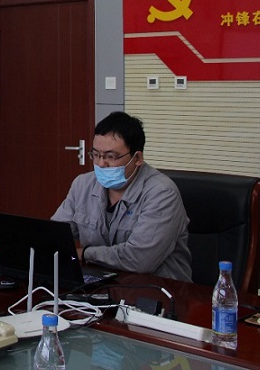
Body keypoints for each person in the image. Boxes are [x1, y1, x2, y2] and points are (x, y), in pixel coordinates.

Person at [51, 111, 192, 281]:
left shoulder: (162, 193)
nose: (101, 163)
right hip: (100, 283)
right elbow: (55, 236)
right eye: (95, 155)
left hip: (157, 288)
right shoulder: (83, 185)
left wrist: (86, 253)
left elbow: (140, 259)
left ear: (137, 158)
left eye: (111, 157)